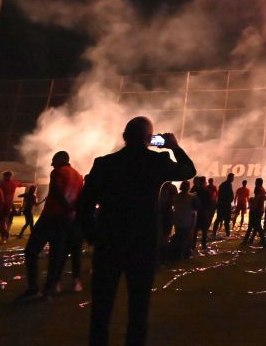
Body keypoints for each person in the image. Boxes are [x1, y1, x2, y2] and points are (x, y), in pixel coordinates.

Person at [78, 116, 196, 346]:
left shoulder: (104, 163)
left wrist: (93, 235)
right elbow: (188, 170)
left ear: (125, 136)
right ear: (148, 139)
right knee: (138, 309)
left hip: (109, 240)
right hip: (142, 242)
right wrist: (174, 147)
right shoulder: (157, 161)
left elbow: (85, 203)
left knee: (101, 308)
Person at [18, 151, 84, 300]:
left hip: (51, 216)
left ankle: (33, 288)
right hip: (66, 220)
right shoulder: (78, 176)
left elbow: (57, 191)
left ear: (61, 159)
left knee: (31, 250)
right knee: (56, 254)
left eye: (53, 160)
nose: (51, 164)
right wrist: (71, 212)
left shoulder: (58, 172)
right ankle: (48, 290)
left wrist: (65, 207)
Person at [171, 181, 197, 259]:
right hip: (187, 220)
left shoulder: (176, 196)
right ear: (188, 187)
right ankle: (184, 254)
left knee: (179, 237)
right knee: (187, 238)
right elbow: (196, 207)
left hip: (177, 219)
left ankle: (178, 253)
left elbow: (173, 205)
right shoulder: (192, 197)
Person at [243, 178, 265, 246]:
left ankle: (247, 240)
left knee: (254, 226)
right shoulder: (263, 189)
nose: (255, 183)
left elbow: (257, 198)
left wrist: (252, 204)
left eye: (256, 182)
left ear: (258, 183)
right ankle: (250, 239)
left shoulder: (258, 188)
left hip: (256, 210)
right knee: (256, 226)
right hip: (260, 209)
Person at [213, 173, 235, 238]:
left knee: (219, 218)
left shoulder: (223, 184)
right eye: (232, 177)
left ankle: (215, 232)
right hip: (225, 204)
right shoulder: (227, 185)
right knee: (226, 219)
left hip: (222, 204)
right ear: (229, 177)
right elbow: (230, 195)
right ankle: (227, 233)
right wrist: (229, 201)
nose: (233, 179)